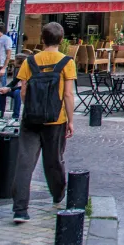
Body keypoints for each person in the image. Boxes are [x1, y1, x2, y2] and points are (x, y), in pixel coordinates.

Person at [12, 22, 76, 224]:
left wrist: (30, 109)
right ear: (62, 39)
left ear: (42, 39)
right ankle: (58, 194)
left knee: (24, 163)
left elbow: (23, 92)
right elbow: (68, 94)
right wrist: (70, 120)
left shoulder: (29, 61)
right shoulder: (67, 62)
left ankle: (20, 209)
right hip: (56, 119)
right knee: (54, 160)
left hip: (31, 119)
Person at [0, 24, 13, 95]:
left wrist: (4, 68)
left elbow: (8, 54)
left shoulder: (6, 39)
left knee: (1, 90)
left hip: (0, 67)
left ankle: (1, 106)